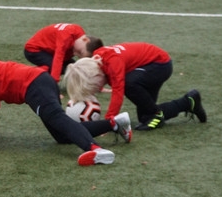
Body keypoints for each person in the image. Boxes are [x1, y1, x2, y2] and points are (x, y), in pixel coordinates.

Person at [0, 60, 132, 166]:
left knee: (57, 119)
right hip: (39, 82)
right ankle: (115, 124)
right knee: (61, 135)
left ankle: (96, 150)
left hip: (34, 85)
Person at [65, 39, 207, 131]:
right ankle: (189, 102)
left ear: (97, 76)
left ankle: (156, 113)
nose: (95, 90)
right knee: (145, 118)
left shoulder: (113, 63)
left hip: (159, 64)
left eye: (94, 87)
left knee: (129, 84)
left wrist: (109, 122)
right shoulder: (97, 61)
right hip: (147, 66)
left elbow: (119, 92)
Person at [24, 23, 90, 81]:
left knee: (74, 68)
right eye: (80, 52)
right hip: (33, 49)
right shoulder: (66, 38)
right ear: (85, 40)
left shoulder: (78, 34)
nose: (76, 54)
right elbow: (58, 58)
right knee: (57, 68)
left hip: (49, 50)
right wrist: (54, 83)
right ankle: (30, 75)